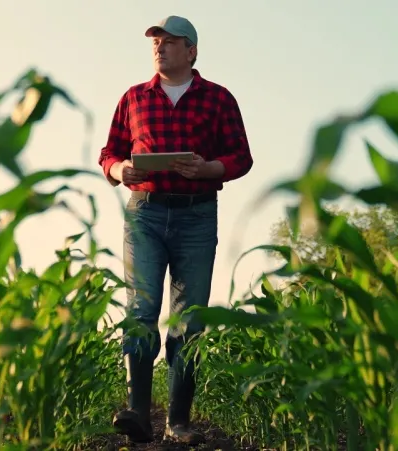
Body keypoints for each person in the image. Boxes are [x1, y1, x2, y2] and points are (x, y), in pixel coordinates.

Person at [96, 15, 253, 444]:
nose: (160, 48)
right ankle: (137, 413)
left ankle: (178, 423)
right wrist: (120, 168)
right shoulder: (133, 98)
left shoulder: (218, 99)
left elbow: (241, 157)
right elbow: (108, 152)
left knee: (188, 321)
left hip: (197, 216)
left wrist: (207, 168)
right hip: (144, 213)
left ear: (192, 51)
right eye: (156, 43)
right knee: (141, 312)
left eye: (169, 42)